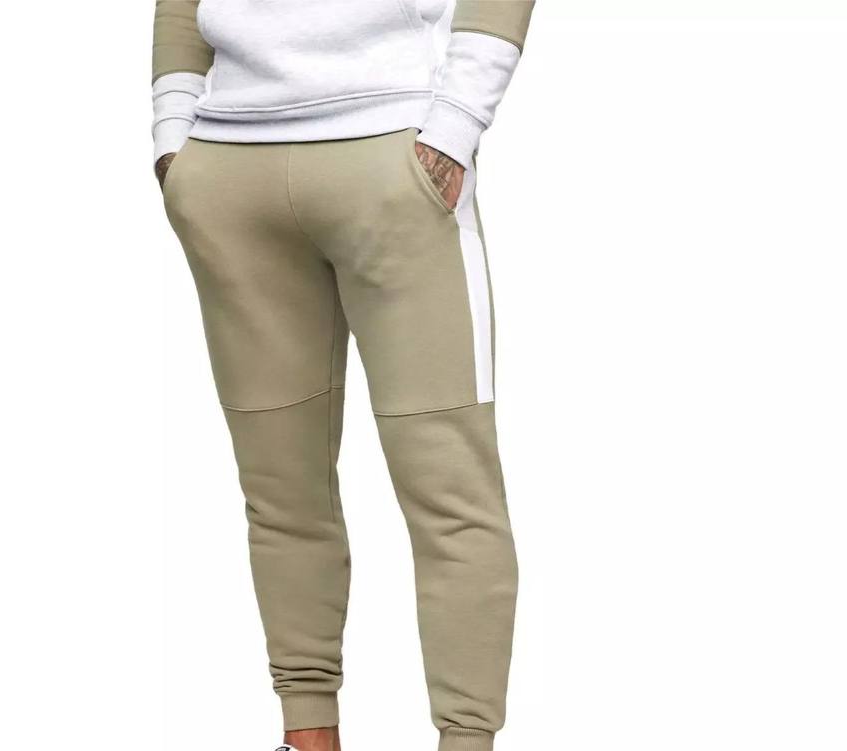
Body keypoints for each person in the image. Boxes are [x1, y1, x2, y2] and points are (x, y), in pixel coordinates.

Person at [151, 2, 536, 750]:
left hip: (390, 153)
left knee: (448, 486)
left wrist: (457, 122)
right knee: (280, 490)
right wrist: (174, 137)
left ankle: (465, 740)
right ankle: (306, 737)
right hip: (230, 169)